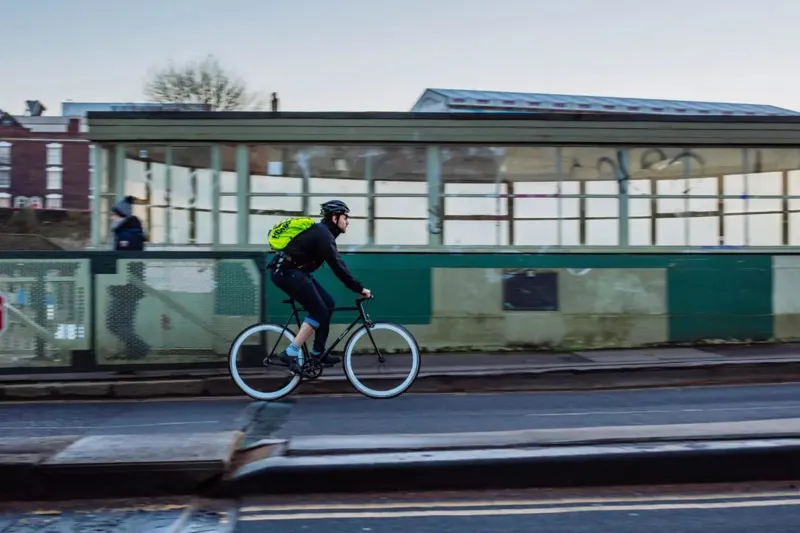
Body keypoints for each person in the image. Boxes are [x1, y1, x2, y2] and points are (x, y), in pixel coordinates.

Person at [268, 200, 371, 368]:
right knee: (319, 311)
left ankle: (318, 353)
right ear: (335, 218)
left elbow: (336, 264)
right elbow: (337, 266)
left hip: (294, 272)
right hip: (285, 272)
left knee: (328, 304)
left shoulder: (324, 233)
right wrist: (359, 288)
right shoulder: (323, 235)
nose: (348, 221)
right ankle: (290, 352)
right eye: (345, 217)